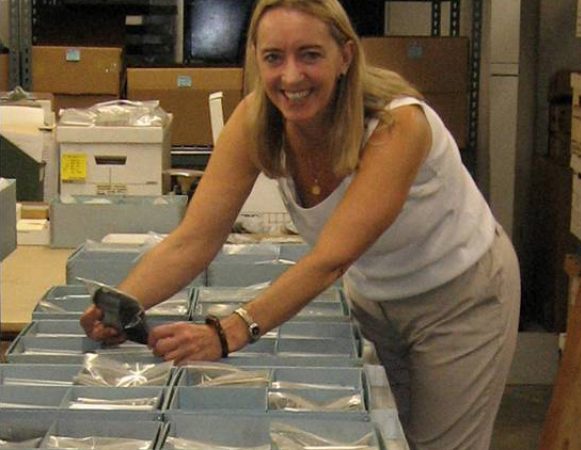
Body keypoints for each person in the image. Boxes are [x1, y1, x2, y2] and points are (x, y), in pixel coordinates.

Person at [80, 0, 521, 448]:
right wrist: (126, 302)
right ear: (256, 58)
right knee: (387, 439)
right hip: (375, 297)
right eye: (274, 57)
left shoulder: (397, 125)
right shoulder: (257, 119)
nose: (291, 77)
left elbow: (331, 258)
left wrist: (226, 332)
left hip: (460, 298)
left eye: (310, 54)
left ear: (345, 56)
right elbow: (194, 239)